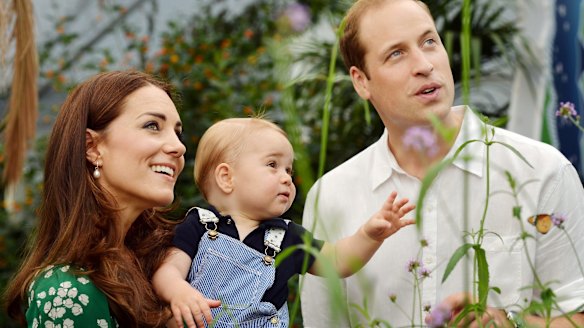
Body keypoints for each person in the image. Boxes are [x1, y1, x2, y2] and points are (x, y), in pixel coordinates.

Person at [300, 0, 584, 327]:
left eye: (429, 42)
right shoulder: (331, 196)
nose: (423, 64)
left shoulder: (542, 172)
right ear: (361, 81)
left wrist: (509, 324)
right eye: (396, 53)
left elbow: (575, 316)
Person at [151, 117, 415, 328]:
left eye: (289, 169)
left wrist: (369, 236)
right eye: (272, 165)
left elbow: (337, 261)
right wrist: (178, 292)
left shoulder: (288, 237)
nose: (287, 177)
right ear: (226, 178)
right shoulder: (199, 225)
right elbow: (167, 270)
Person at [3, 70, 187, 327]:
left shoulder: (169, 266)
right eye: (152, 126)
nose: (179, 147)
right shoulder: (67, 291)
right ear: (92, 147)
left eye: (178, 133)